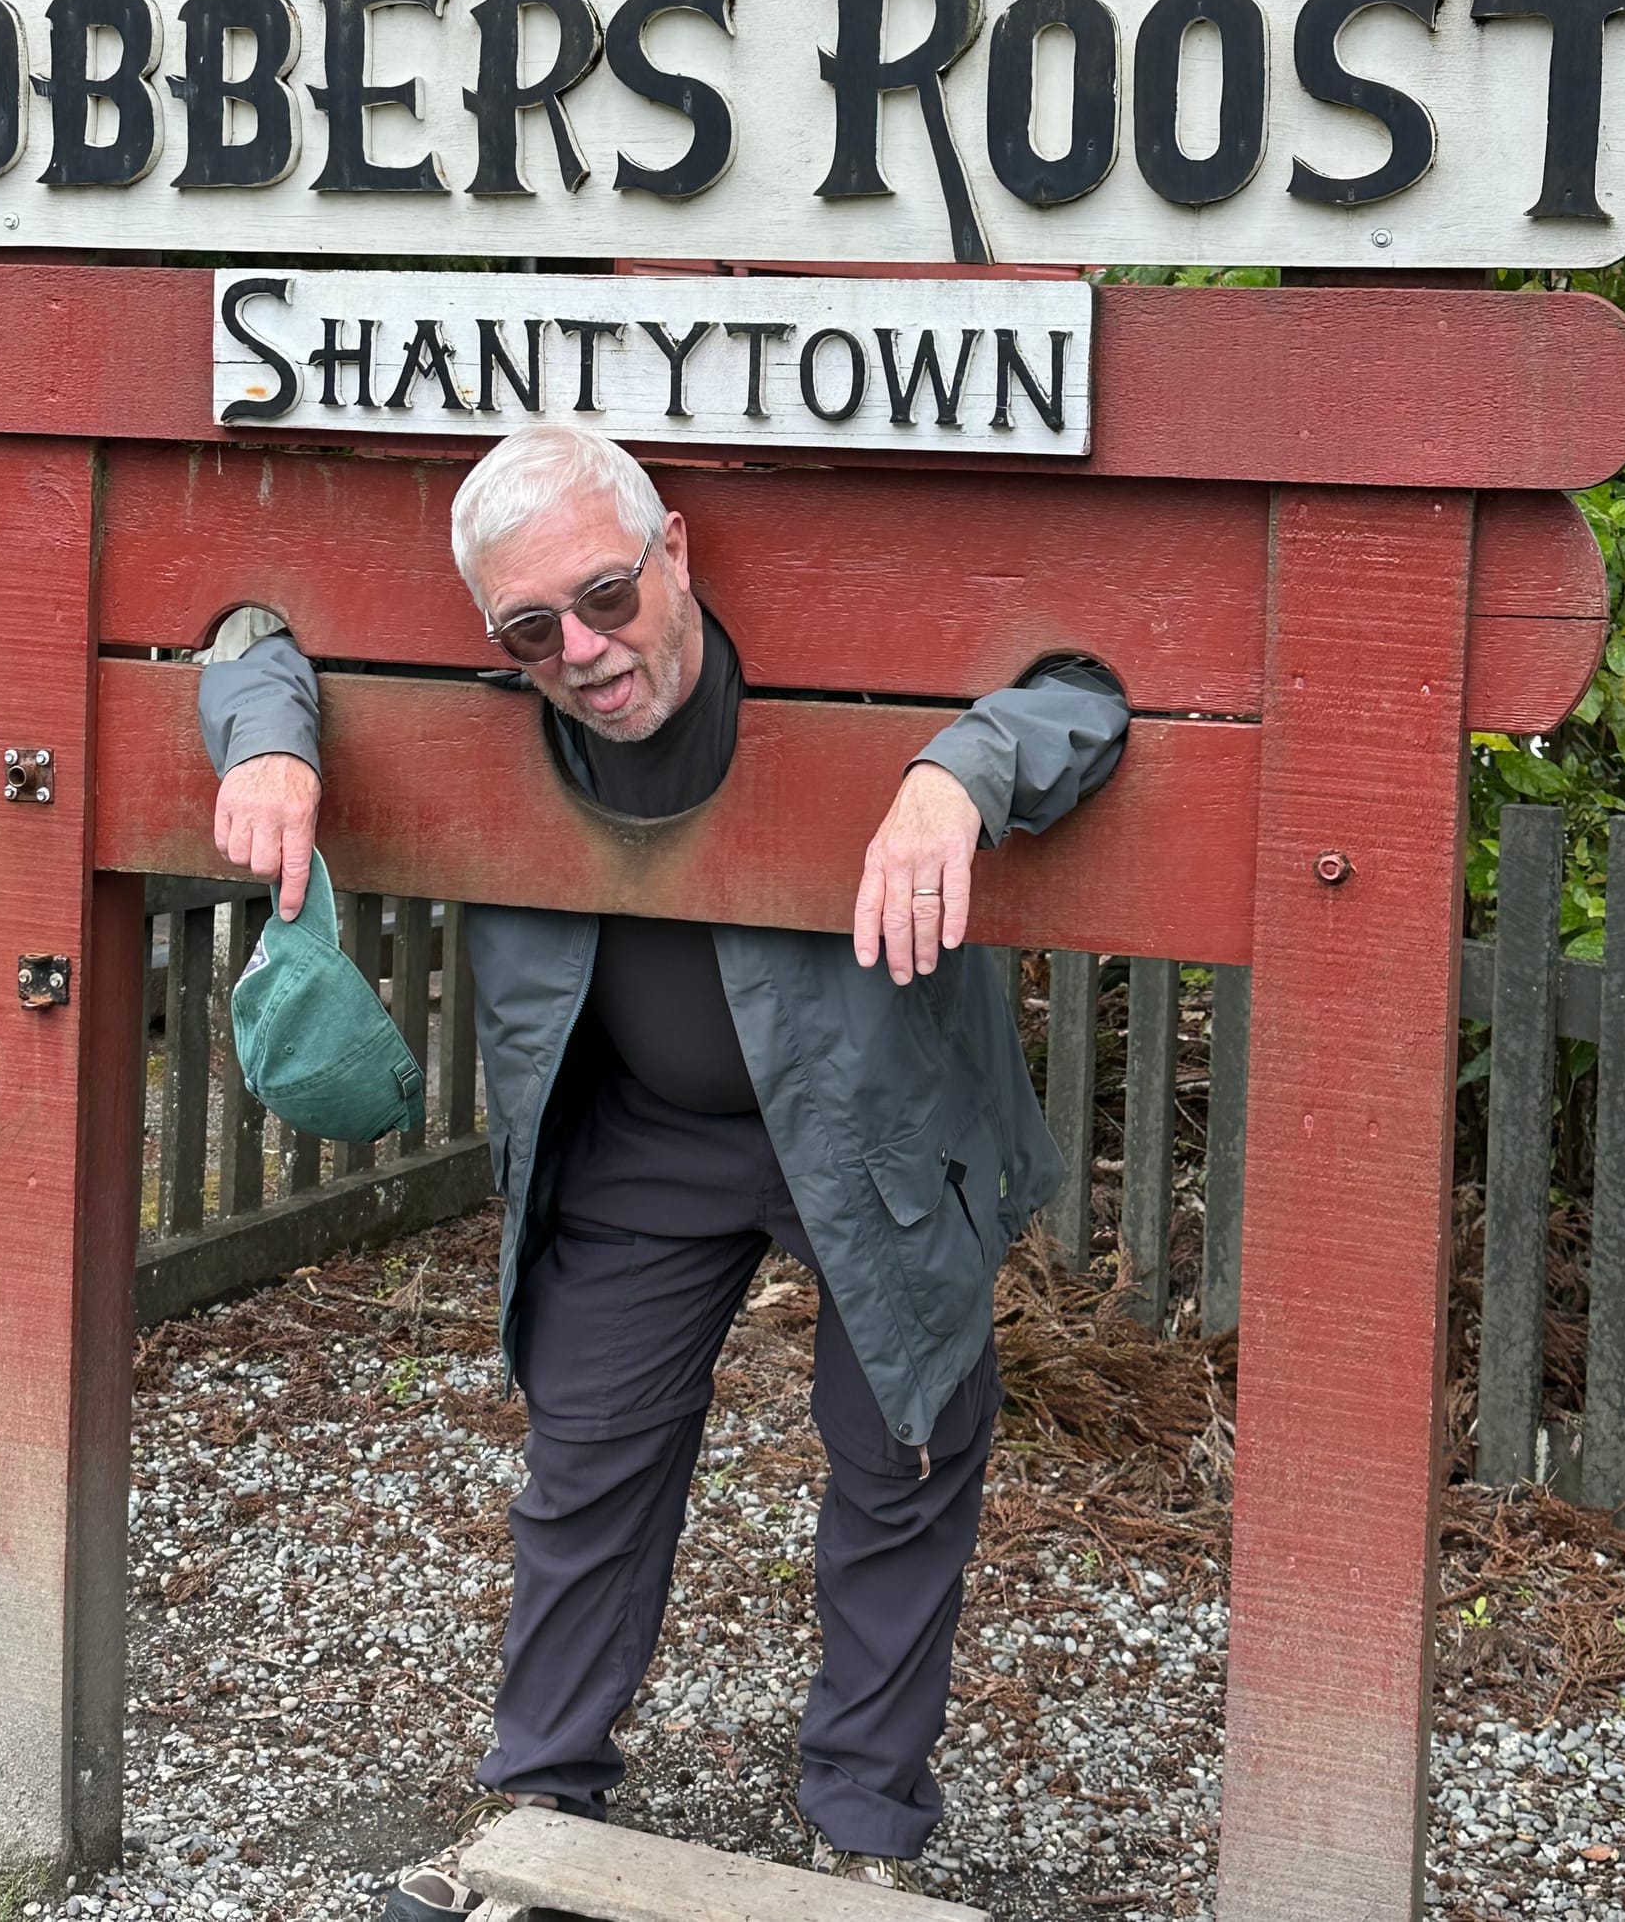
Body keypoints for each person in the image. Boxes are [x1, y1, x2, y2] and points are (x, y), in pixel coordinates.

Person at [199, 425, 1128, 1908]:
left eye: (607, 596)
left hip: (870, 1126)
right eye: (529, 630)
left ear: (676, 551)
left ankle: (865, 1827)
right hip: (636, 1134)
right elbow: (248, 630)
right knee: (589, 1459)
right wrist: (264, 734)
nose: (582, 650)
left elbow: (1094, 682)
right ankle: (539, 1803)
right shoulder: (502, 696)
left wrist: (963, 771)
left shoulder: (855, 654)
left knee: (902, 1453)